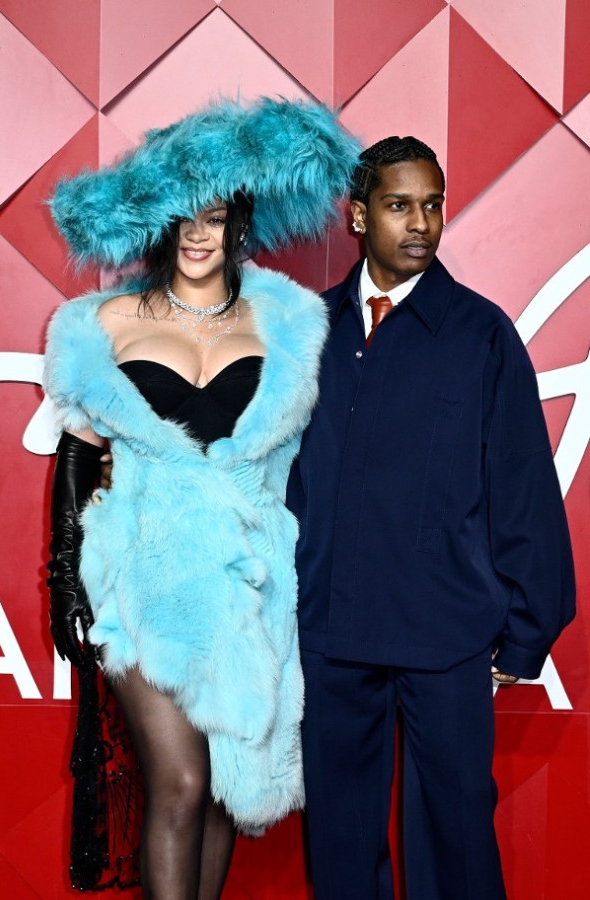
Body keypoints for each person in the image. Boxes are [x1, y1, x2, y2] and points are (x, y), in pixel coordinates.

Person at [43, 97, 361, 900]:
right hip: (140, 580)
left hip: (246, 582)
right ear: (161, 227)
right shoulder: (106, 321)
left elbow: (306, 464)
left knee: (223, 792)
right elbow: (79, 454)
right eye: (184, 220)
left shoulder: (285, 322)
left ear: (237, 225)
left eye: (214, 219)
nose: (197, 235)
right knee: (182, 783)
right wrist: (66, 580)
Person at [286, 136, 576, 899]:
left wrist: (528, 627)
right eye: (398, 205)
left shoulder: (482, 335)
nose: (421, 223)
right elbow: (278, 483)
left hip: (445, 634)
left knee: (457, 834)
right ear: (358, 216)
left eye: (433, 205)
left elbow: (522, 485)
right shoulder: (306, 332)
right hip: (330, 631)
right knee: (341, 845)